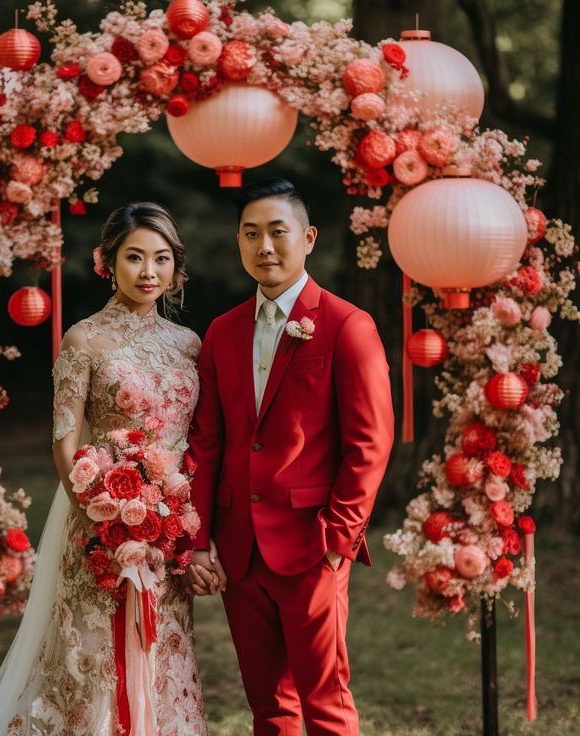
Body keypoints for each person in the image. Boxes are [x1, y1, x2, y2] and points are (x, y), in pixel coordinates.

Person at [0, 202, 208, 736]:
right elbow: (63, 442)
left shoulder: (190, 345)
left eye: (161, 259)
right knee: (94, 655)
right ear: (107, 262)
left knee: (163, 646)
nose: (148, 272)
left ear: (174, 266)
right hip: (100, 516)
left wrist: (173, 523)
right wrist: (108, 524)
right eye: (134, 257)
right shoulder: (83, 340)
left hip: (169, 526)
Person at [185, 179, 394, 736]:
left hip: (312, 543)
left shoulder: (348, 326)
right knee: (269, 708)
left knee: (324, 701)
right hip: (239, 549)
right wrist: (198, 537)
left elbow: (369, 444)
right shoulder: (222, 332)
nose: (265, 247)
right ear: (238, 242)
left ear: (308, 238)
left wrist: (337, 538)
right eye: (250, 234)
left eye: (278, 232)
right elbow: (207, 443)